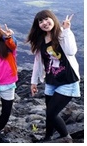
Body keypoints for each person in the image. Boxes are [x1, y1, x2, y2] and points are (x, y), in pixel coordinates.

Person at [27, 10, 79, 143]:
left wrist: (67, 30)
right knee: (49, 112)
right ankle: (48, 137)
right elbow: (38, 62)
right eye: (40, 21)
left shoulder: (62, 34)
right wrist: (34, 82)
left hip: (68, 80)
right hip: (51, 80)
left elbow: (71, 51)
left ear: (53, 19)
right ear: (37, 25)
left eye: (46, 19)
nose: (44, 23)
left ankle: (66, 137)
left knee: (51, 112)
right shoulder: (41, 40)